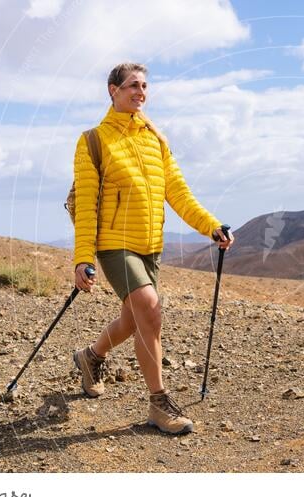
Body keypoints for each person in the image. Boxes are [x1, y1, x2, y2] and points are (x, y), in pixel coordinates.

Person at [71, 62, 234, 435]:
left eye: (144, 86)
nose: (140, 92)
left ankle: (91, 357)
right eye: (132, 85)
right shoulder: (94, 140)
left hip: (150, 246)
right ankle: (159, 404)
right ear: (112, 90)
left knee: (134, 320)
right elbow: (86, 205)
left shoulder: (154, 138)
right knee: (150, 309)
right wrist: (83, 258)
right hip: (114, 245)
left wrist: (211, 226)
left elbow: (177, 192)